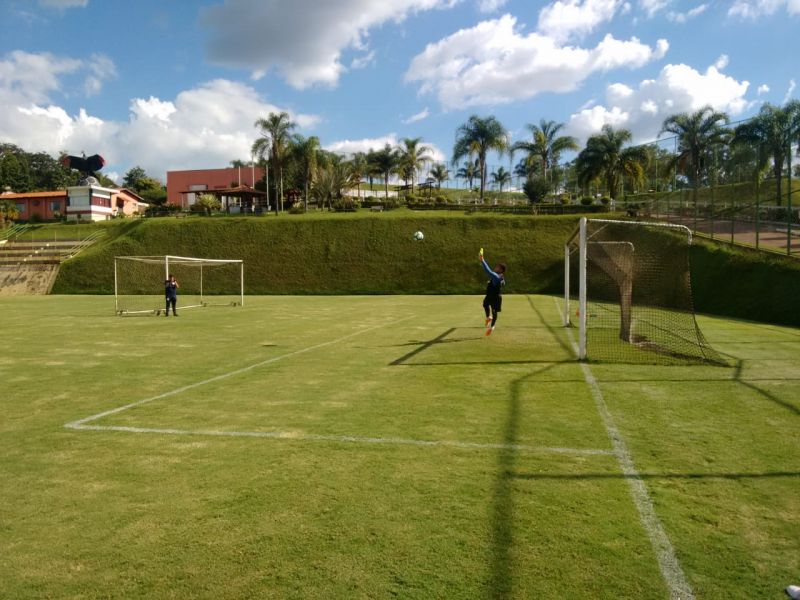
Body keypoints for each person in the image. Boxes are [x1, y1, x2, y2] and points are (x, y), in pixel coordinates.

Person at [480, 250, 506, 336]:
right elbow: (503, 283)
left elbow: (488, 271)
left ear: (501, 270)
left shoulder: (496, 276)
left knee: (491, 309)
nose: (495, 267)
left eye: (497, 267)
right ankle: (490, 320)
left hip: (494, 297)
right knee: (486, 305)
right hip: (493, 296)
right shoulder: (500, 277)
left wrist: (482, 260)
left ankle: (491, 323)